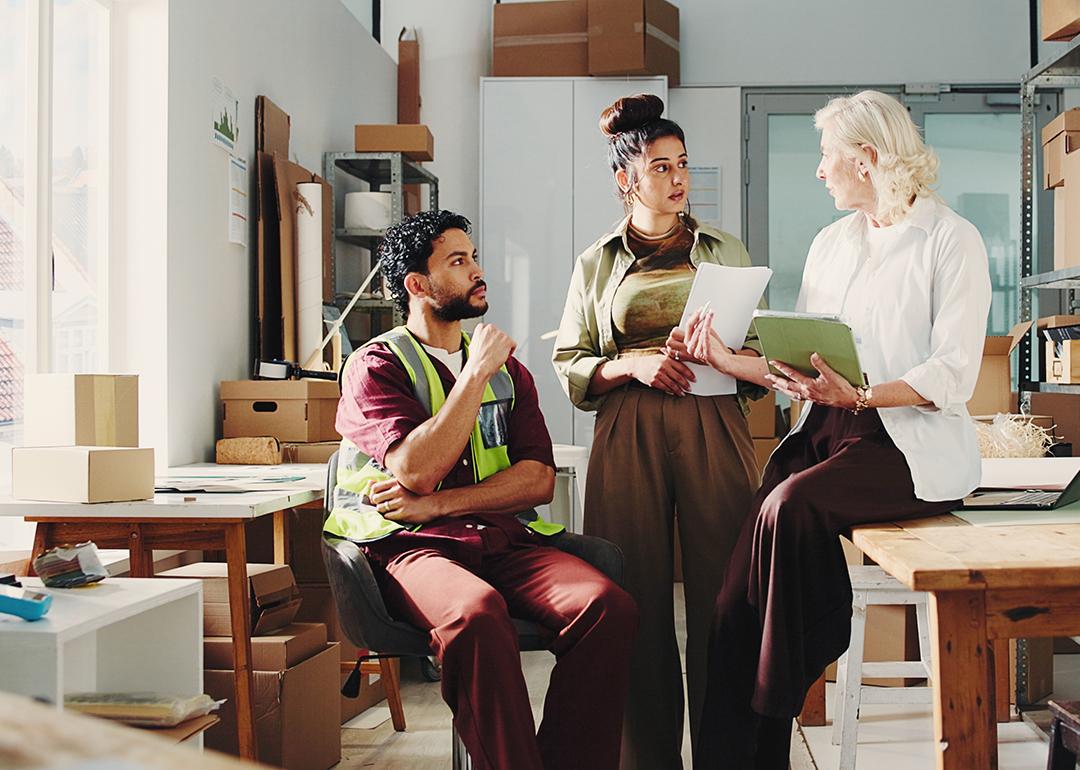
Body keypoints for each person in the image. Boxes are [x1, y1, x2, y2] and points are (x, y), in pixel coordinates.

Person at [679, 90, 992, 769]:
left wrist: (863, 395)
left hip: (901, 444)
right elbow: (801, 363)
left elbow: (955, 370)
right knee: (732, 605)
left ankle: (776, 717)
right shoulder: (832, 243)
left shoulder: (949, 239)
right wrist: (727, 359)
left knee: (790, 508)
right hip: (825, 433)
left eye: (829, 157)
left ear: (867, 158)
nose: (820, 171)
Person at [325, 210, 638, 770]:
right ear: (418, 286)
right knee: (476, 614)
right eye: (458, 260)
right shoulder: (375, 365)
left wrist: (443, 501)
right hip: (408, 546)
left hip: (501, 540)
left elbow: (537, 478)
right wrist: (471, 376)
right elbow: (414, 469)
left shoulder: (509, 371)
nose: (477, 270)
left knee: (606, 607)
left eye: (474, 257)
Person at [552, 94, 769, 770]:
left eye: (683, 166)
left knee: (728, 597)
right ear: (626, 179)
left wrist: (724, 356)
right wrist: (632, 363)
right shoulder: (597, 261)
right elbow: (570, 362)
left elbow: (761, 352)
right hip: (628, 427)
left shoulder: (725, 249)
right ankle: (644, 760)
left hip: (716, 419)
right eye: (660, 166)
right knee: (630, 598)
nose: (678, 180)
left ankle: (729, 757)